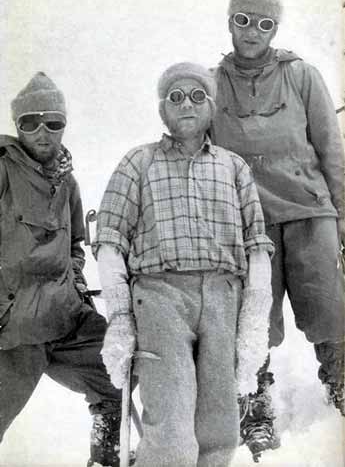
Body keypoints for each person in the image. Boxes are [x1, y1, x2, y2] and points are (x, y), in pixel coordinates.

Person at [93, 62, 275, 467]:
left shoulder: (233, 167)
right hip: (159, 297)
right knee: (171, 427)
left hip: (224, 296)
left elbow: (256, 246)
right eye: (175, 97)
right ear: (162, 110)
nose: (186, 104)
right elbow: (109, 243)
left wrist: (254, 322)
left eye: (197, 96)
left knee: (220, 427)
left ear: (210, 107)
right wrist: (120, 318)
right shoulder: (137, 164)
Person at [212, 0, 345, 460]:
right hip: (250, 225)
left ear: (275, 29)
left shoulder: (302, 76)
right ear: (230, 21)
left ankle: (341, 380)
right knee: (253, 321)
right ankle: (255, 405)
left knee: (330, 307)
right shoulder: (210, 85)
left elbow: (332, 151)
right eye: (243, 20)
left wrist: (343, 218)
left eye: (264, 23)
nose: (252, 31)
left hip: (311, 213)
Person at [0, 72, 124, 467]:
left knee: (122, 370)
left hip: (67, 319)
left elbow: (73, 245)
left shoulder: (67, 181)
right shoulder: (3, 170)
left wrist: (75, 279)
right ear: (16, 126)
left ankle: (107, 454)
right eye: (29, 122)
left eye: (52, 122)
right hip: (15, 332)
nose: (41, 131)